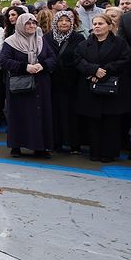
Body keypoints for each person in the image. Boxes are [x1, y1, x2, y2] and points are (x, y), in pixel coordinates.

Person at [74, 14, 130, 163]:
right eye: (95, 23)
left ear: (110, 26)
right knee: (93, 123)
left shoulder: (120, 43)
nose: (97, 26)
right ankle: (95, 152)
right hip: (91, 90)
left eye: (101, 23)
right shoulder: (84, 44)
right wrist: (93, 70)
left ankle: (109, 153)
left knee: (111, 123)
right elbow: (78, 61)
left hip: (112, 90)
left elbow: (125, 60)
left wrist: (104, 72)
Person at [0, 14, 56, 158]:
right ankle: (16, 146)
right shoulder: (11, 42)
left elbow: (53, 58)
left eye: (34, 23)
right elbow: (4, 60)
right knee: (19, 115)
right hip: (20, 85)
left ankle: (40, 147)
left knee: (40, 115)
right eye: (28, 24)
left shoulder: (41, 40)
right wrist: (25, 67)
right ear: (20, 25)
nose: (31, 26)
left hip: (40, 84)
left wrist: (41, 65)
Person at [43, 11, 84, 154]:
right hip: (52, 82)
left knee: (72, 113)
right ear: (55, 22)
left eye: (67, 20)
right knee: (54, 112)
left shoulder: (78, 38)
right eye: (61, 20)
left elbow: (81, 58)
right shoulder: (46, 38)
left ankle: (74, 144)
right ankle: (56, 141)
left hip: (72, 82)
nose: (64, 23)